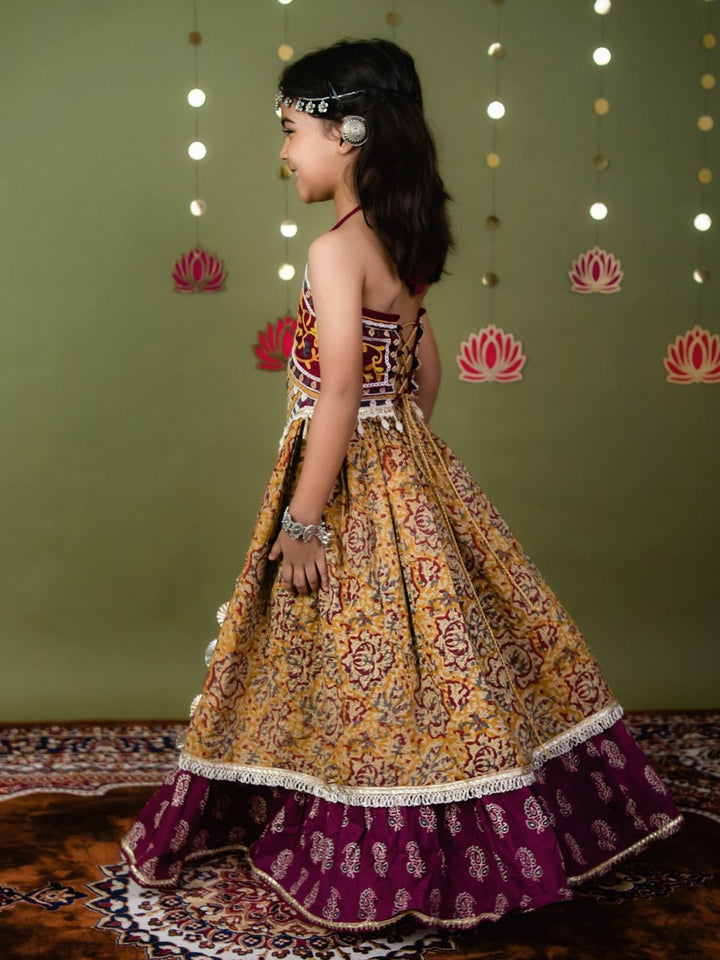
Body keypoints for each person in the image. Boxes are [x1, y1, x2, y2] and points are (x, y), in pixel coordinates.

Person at [120, 38, 682, 932]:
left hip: (341, 475)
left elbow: (341, 388)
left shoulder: (333, 250)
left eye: (290, 130)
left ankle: (364, 828)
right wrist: (398, 447)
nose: (281, 151)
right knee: (425, 655)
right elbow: (420, 376)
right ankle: (449, 820)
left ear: (348, 136)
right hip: (405, 462)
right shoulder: (403, 240)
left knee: (345, 649)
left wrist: (305, 522)